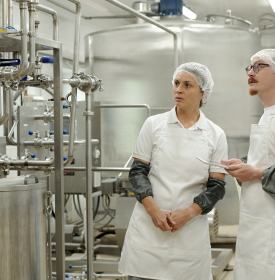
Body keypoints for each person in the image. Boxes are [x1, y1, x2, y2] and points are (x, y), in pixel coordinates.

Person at [118, 62, 228, 280]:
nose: (179, 89)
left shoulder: (215, 134)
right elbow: (138, 172)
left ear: (203, 93)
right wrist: (154, 211)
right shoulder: (153, 124)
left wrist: (187, 214)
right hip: (148, 227)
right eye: (177, 83)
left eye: (188, 85)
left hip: (189, 230)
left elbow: (216, 186)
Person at [222, 49, 275, 280]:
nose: (250, 73)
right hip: (256, 224)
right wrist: (245, 165)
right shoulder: (266, 115)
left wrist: (254, 172)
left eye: (258, 66)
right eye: (249, 68)